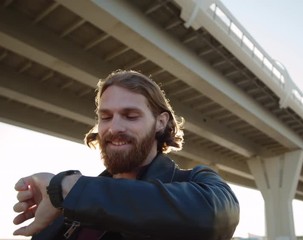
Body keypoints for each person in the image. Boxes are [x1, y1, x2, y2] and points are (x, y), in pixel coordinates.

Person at [12, 69, 240, 240]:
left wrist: (65, 188)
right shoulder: (69, 204)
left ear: (160, 122)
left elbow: (216, 215)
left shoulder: (195, 183)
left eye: (131, 116)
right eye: (106, 117)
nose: (114, 128)